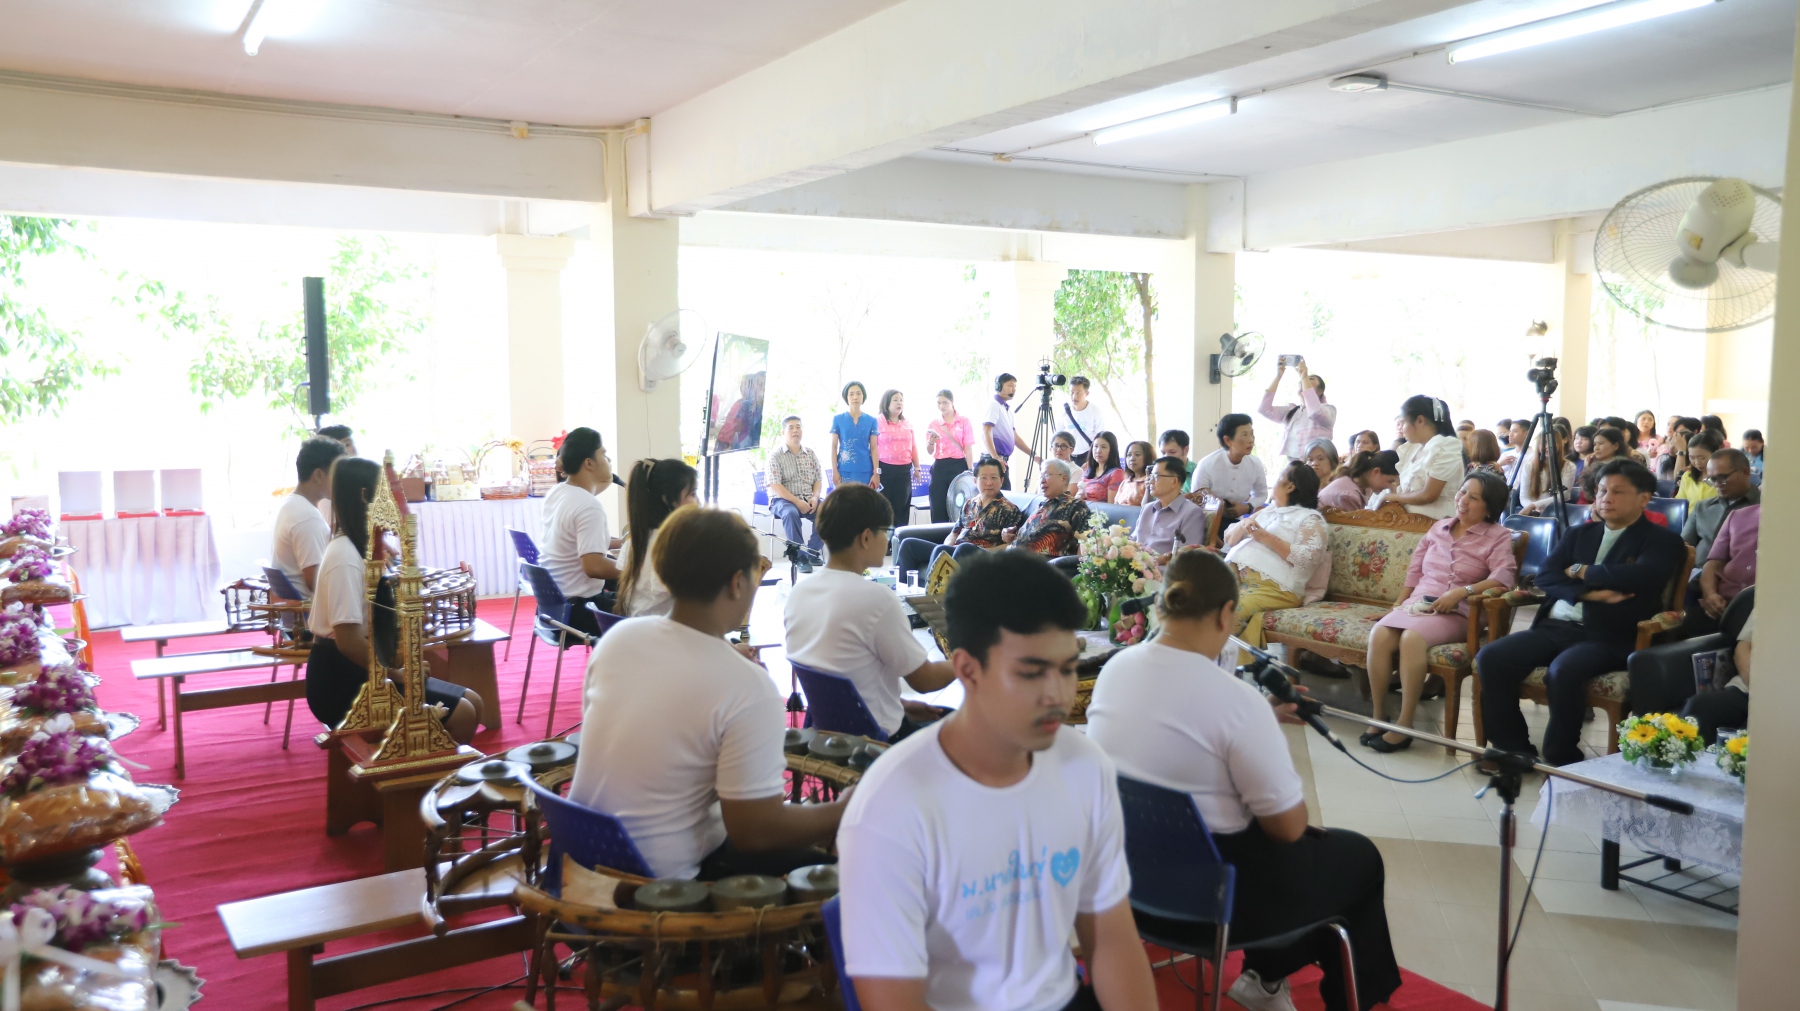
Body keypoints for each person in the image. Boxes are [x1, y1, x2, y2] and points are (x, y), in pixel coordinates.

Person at [837, 550, 1157, 1011]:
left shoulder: (1085, 765)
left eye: (1068, 669)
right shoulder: (892, 804)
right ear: (968, 670)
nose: (1057, 695)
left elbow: (1110, 938)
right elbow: (894, 1000)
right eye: (1031, 673)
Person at [1087, 550, 1401, 1011]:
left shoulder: (1116, 669)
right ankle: (1331, 994)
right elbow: (1287, 828)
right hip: (1213, 905)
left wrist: (1259, 723)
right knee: (1355, 856)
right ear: (1226, 613)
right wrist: (1258, 724)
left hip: (1131, 884)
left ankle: (1268, 977)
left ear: (1162, 604)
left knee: (1279, 852)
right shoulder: (1237, 701)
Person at [570, 506, 844, 880]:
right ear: (737, 583)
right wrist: (845, 808)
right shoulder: (748, 686)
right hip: (661, 881)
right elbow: (756, 833)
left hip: (585, 852)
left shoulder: (618, 638)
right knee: (841, 871)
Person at [1476, 460, 1684, 766]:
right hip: (1556, 627)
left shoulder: (1662, 540)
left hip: (1608, 635)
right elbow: (1545, 576)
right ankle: (1512, 748)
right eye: (1602, 490)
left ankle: (1561, 756)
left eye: (1617, 492)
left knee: (1564, 670)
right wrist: (1587, 593)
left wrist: (1578, 570)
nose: (1606, 498)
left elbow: (1640, 576)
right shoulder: (1578, 534)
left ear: (1643, 498)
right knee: (1492, 657)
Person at [304, 456, 481, 744]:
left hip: (359, 667)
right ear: (365, 497)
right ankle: (428, 772)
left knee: (474, 701)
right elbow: (347, 641)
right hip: (340, 680)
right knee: (463, 713)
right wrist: (396, 673)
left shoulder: (361, 547)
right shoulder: (344, 556)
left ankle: (433, 767)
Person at [787, 485, 956, 742]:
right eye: (886, 531)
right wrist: (969, 659)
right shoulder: (877, 599)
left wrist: (898, 705)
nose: (888, 539)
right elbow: (925, 680)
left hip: (829, 736)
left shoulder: (799, 593)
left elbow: (837, 676)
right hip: (877, 742)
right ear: (866, 537)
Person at [1363, 473, 1516, 752]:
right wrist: (1397, 606)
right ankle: (1379, 717)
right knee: (1380, 634)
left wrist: (1462, 592)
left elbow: (1503, 577)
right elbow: (1415, 570)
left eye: (1473, 497)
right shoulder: (1439, 527)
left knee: (1411, 638)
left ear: (1489, 507)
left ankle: (1404, 725)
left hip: (1460, 611)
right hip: (1420, 604)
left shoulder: (1498, 536)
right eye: (1462, 492)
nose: (1463, 500)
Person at [1222, 460, 1328, 656]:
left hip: (1275, 588)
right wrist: (1243, 525)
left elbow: (1307, 559)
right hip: (1233, 575)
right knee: (1199, 596)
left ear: (1290, 486)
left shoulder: (1309, 519)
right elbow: (1228, 539)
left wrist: (1266, 537)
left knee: (1226, 610)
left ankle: (1208, 663)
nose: (1275, 482)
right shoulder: (1268, 510)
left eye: (1279, 477)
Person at [894, 457, 1025, 586]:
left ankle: (930, 594)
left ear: (1002, 480)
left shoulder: (1009, 509)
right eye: (984, 478)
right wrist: (948, 548)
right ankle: (902, 593)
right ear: (975, 481)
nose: (989, 483)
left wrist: (984, 549)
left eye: (994, 478)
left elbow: (1012, 545)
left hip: (979, 555)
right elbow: (954, 533)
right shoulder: (969, 504)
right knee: (908, 545)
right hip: (956, 550)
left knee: (960, 548)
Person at [541, 427, 622, 632]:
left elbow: (605, 479)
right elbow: (594, 567)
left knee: (628, 593)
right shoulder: (588, 505)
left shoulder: (559, 492)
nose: (609, 460)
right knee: (646, 611)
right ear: (589, 463)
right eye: (603, 454)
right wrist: (636, 570)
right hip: (579, 610)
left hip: (556, 605)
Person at [616, 459, 698, 618]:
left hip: (637, 628)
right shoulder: (673, 547)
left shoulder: (635, 542)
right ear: (668, 500)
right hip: (663, 631)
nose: (698, 502)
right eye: (693, 494)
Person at [273, 436, 345, 597]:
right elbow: (316, 582)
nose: (342, 482)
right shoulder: (307, 516)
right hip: (309, 609)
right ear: (319, 475)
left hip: (298, 607)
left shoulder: (291, 504)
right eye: (337, 474)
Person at [1682, 449, 1759, 587]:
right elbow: (1684, 546)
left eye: (1722, 478)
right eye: (1712, 479)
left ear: (1745, 472)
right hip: (1695, 577)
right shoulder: (1703, 507)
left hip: (1738, 582)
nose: (1717, 484)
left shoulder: (1762, 509)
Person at [1380, 395, 1462, 519]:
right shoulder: (1411, 449)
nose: (1401, 428)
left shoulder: (1446, 446)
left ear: (1420, 421)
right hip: (1408, 522)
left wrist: (1391, 497)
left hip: (1436, 522)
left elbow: (1428, 495)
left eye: (1404, 422)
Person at [1679, 606, 1753, 742]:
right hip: (1749, 688)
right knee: (1699, 708)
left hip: (1786, 701)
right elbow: (1743, 649)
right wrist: (1759, 691)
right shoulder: (1769, 601)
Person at [1689, 499, 1759, 637]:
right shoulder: (1737, 516)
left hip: (1760, 610)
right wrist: (1710, 594)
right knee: (1684, 626)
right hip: (1723, 605)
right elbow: (1713, 563)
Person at [767, 415, 826, 573]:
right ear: (783, 432)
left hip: (808, 497)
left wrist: (815, 497)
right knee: (790, 512)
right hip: (782, 500)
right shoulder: (775, 455)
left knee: (829, 510)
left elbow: (818, 479)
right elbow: (776, 485)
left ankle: (811, 552)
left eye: (798, 427)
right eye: (791, 428)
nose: (795, 431)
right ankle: (800, 557)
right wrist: (797, 501)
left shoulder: (810, 453)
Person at [1002, 460, 1091, 558]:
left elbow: (1085, 544)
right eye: (1040, 476)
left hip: (1042, 564)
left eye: (1046, 475)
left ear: (1063, 478)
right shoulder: (1042, 505)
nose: (1042, 481)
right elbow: (1030, 539)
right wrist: (1012, 536)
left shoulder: (1075, 506)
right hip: (1014, 557)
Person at [1258, 359, 1336, 465]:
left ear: (1320, 391)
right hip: (1294, 467)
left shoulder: (1328, 409)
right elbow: (1264, 409)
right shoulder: (1292, 410)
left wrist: (1304, 376)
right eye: (1304, 379)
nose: (1305, 380)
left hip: (1316, 466)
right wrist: (1278, 376)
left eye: (1310, 379)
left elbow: (1315, 412)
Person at [1132, 456, 1209, 563]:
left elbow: (1187, 555)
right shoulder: (1147, 508)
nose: (1150, 481)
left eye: (1156, 476)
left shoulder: (1192, 513)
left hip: (1162, 569)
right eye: (1151, 476)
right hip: (1134, 565)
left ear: (1174, 481)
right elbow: (1133, 540)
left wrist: (1153, 561)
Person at [1193, 414, 1267, 524]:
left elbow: (1261, 494)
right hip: (1206, 522)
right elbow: (1196, 499)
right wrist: (1219, 507)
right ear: (1228, 440)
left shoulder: (1255, 464)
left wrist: (1247, 507)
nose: (1251, 440)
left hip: (1237, 523)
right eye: (1244, 435)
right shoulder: (1206, 465)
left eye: (1252, 434)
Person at [925, 389, 977, 523]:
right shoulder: (934, 424)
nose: (941, 406)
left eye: (945, 402)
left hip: (958, 465)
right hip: (940, 467)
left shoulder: (963, 421)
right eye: (938, 403)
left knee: (960, 507)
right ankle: (938, 535)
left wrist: (970, 470)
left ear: (952, 402)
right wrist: (931, 441)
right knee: (938, 506)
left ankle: (958, 534)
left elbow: (968, 448)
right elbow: (930, 451)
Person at [875, 389, 920, 529]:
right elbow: (873, 448)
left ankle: (900, 538)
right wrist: (875, 472)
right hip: (885, 469)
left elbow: (913, 446)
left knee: (902, 507)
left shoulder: (907, 423)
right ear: (886, 403)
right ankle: (885, 539)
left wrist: (917, 467)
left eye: (901, 400)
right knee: (884, 508)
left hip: (904, 470)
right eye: (895, 400)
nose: (899, 403)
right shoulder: (878, 422)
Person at [983, 373, 1035, 490]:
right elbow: (986, 432)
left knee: (1005, 496)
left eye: (1015, 386)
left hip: (1001, 461)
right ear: (998, 386)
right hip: (993, 460)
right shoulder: (994, 405)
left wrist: (1033, 455)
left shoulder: (1007, 410)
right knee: (997, 496)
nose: (1014, 389)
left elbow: (1014, 437)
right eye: (1010, 385)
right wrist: (996, 457)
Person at [830, 381, 880, 491]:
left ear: (863, 396)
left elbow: (874, 448)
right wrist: (834, 471)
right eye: (851, 394)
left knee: (865, 501)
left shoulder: (872, 420)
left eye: (858, 393)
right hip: (844, 470)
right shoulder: (838, 419)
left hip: (866, 470)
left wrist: (877, 473)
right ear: (846, 397)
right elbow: (833, 447)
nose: (855, 397)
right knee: (844, 501)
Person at [1518, 427, 1576, 516]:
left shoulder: (1569, 466)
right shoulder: (1528, 466)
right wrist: (1532, 508)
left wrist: (1534, 505)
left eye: (1553, 442)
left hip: (1557, 511)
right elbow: (1523, 497)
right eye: (1544, 443)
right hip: (1533, 512)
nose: (1548, 446)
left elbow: (1562, 496)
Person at [1318, 450, 1398, 512]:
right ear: (1376, 472)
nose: (1390, 487)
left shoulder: (1353, 483)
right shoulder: (1349, 496)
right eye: (1390, 481)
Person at [1060, 376, 1110, 466]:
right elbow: (1058, 434)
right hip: (1067, 455)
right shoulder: (1064, 411)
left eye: (1078, 393)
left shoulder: (1095, 412)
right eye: (1072, 392)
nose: (1074, 396)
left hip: (1087, 456)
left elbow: (1101, 438)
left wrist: (1092, 461)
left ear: (1086, 393)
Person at [1675, 429, 1723, 508]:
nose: (1697, 462)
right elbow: (1679, 504)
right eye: (1692, 458)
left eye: (1702, 458)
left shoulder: (1723, 479)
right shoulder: (1687, 477)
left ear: (1715, 454)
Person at [1576, 427, 1627, 503]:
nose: (1596, 448)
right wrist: (1587, 467)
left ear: (1615, 446)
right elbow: (1584, 495)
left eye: (1600, 443)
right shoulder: (1593, 465)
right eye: (1594, 444)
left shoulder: (1623, 468)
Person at [1080, 431, 1126, 503]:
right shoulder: (1087, 470)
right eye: (1096, 446)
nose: (1098, 451)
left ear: (1112, 450)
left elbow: (1112, 506)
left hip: (1098, 510)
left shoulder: (1116, 473)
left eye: (1103, 447)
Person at [1114, 440, 1155, 508]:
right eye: (1129, 455)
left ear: (1148, 457)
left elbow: (1147, 508)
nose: (1132, 458)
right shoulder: (1125, 482)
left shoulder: (1151, 481)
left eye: (1137, 454)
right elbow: (1115, 506)